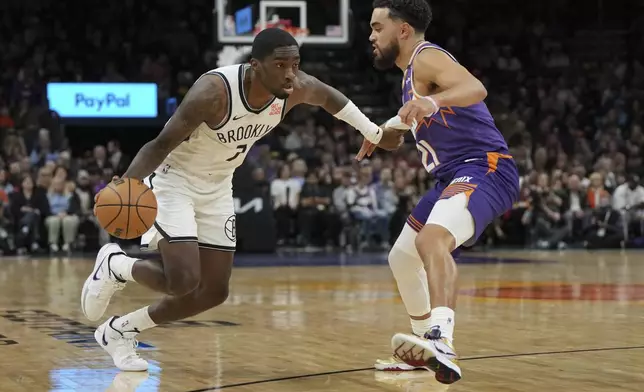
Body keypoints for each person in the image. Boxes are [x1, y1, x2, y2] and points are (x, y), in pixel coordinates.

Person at [80, 27, 384, 372]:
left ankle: (120, 331)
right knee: (182, 281)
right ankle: (115, 266)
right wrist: (127, 183)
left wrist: (373, 132)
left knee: (213, 292)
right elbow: (161, 144)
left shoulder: (295, 87)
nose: (290, 73)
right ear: (256, 65)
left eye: (295, 64)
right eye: (281, 65)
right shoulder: (213, 92)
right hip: (175, 181)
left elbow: (331, 99)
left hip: (219, 186)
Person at [358, 0, 520, 384]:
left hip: (485, 166)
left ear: (402, 30)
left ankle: (441, 339)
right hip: (450, 177)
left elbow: (474, 88)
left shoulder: (427, 57)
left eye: (377, 27)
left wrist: (434, 100)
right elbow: (404, 123)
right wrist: (381, 132)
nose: (371, 36)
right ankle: (420, 349)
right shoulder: (410, 78)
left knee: (433, 240)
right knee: (401, 257)